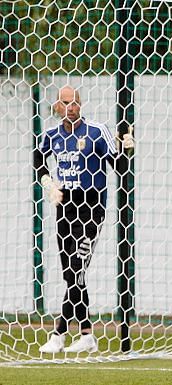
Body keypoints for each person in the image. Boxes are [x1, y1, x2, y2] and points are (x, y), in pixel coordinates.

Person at [35, 85, 134, 353]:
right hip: (64, 206)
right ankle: (87, 334)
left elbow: (120, 167)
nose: (70, 107)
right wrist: (50, 187)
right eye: (65, 103)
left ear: (81, 104)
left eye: (74, 102)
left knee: (77, 269)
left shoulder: (96, 131)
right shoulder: (51, 135)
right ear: (56, 106)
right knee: (71, 273)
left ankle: (58, 334)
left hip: (91, 207)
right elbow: (38, 162)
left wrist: (127, 148)